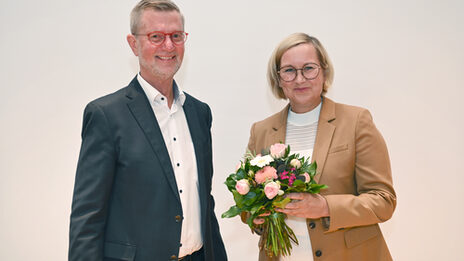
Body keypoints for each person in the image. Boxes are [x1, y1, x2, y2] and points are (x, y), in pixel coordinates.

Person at [68, 1, 227, 260]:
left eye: (176, 36)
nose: (168, 46)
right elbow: (88, 217)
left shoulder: (200, 113)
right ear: (134, 44)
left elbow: (204, 204)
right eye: (156, 37)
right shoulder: (106, 115)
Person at [246, 33, 396, 261]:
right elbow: (247, 204)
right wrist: (255, 216)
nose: (299, 79)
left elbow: (383, 201)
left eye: (308, 68)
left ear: (324, 72)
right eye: (289, 70)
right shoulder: (261, 130)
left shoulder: (356, 122)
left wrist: (325, 207)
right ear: (278, 79)